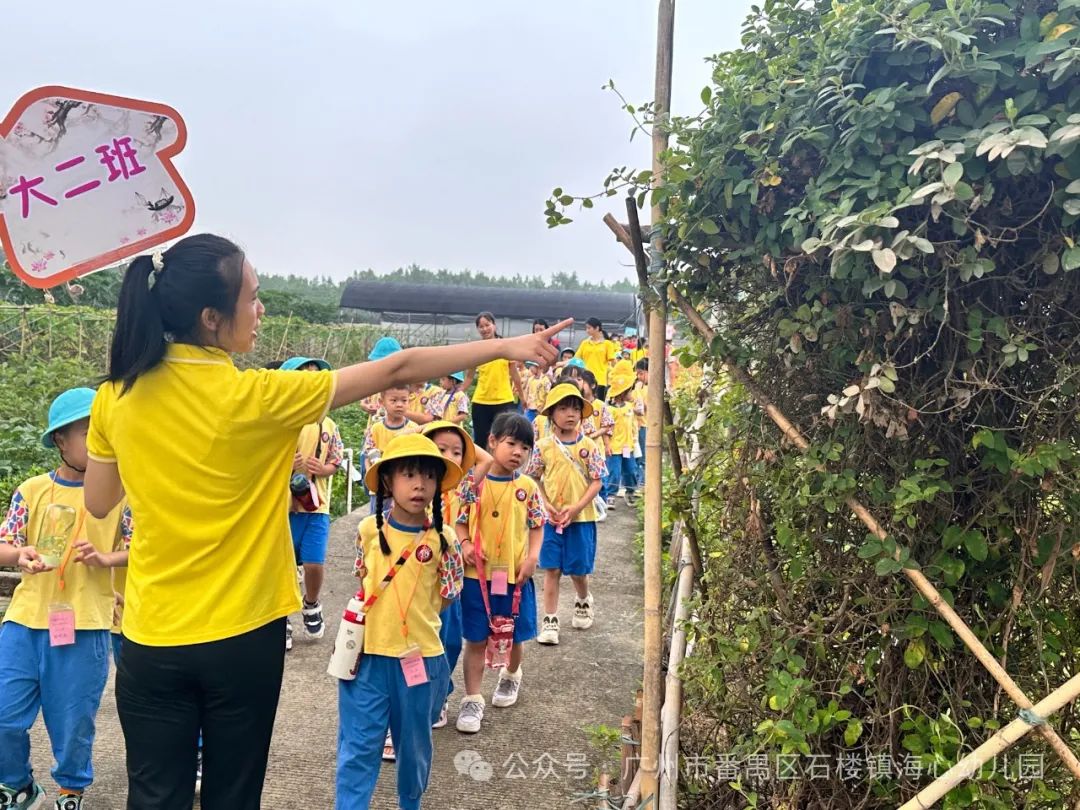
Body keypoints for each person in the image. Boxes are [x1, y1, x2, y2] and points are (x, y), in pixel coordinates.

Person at [82, 234, 568, 810]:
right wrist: (507, 346)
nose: (260, 310)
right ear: (211, 318)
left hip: (150, 633)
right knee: (232, 793)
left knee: (154, 793)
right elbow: (399, 368)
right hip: (242, 634)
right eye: (252, 299)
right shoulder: (264, 394)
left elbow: (99, 500)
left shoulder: (115, 396)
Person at [0, 388, 132, 810]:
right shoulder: (32, 490)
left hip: (86, 624)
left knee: (73, 721)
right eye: (90, 434)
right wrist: (20, 554)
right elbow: (5, 542)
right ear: (61, 441)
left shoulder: (123, 495)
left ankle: (70, 790)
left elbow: (143, 545)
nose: (101, 445)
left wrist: (106, 557)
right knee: (4, 714)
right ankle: (17, 784)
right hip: (24, 620)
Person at [336, 434, 464, 810]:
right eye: (408, 474)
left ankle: (411, 803)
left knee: (413, 749)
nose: (419, 484)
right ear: (388, 481)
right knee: (358, 746)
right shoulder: (368, 532)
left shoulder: (445, 539)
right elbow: (363, 576)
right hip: (368, 661)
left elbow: (449, 593)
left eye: (428, 476)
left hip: (421, 661)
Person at [454, 412, 545, 734]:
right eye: (510, 443)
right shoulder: (472, 483)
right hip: (475, 577)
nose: (517, 452)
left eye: (525, 447)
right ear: (491, 442)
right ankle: (472, 697)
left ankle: (510, 676)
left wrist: (532, 557)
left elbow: (537, 526)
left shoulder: (528, 487)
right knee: (475, 637)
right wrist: (465, 544)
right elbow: (459, 520)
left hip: (514, 578)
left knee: (515, 634)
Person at [420, 421, 493, 730]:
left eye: (456, 452)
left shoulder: (462, 485)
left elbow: (487, 460)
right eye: (440, 450)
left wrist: (455, 432)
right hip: (417, 576)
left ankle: (440, 695)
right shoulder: (414, 482)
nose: (448, 456)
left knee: (448, 641)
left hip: (449, 578)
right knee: (419, 642)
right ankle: (423, 698)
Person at [527, 384, 605, 646]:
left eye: (575, 408)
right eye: (563, 408)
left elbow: (596, 481)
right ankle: (550, 620)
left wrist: (577, 507)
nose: (570, 414)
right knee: (551, 568)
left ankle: (583, 599)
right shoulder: (543, 446)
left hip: (581, 519)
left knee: (578, 569)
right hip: (550, 520)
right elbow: (534, 478)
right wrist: (546, 504)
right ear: (551, 414)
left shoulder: (589, 446)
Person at [280, 356, 344, 649]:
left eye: (316, 378)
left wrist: (324, 469)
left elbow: (336, 460)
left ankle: (311, 602)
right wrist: (282, 464)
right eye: (303, 376)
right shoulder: (278, 423)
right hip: (280, 508)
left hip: (315, 506)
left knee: (314, 563)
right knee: (281, 566)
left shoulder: (327, 423)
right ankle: (282, 619)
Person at [463, 312, 524, 445]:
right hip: (481, 402)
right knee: (480, 441)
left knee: (502, 440)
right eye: (481, 326)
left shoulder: (505, 347)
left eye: (487, 325)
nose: (485, 329)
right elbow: (469, 377)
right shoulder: (477, 350)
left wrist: (523, 398)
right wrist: (457, 392)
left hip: (503, 401)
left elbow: (515, 375)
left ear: (494, 325)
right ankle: (482, 466)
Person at [605, 373, 641, 508]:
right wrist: (607, 444)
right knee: (614, 472)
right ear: (622, 393)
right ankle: (610, 494)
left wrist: (635, 441)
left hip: (628, 446)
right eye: (629, 390)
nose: (631, 393)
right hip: (614, 447)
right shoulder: (610, 410)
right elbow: (607, 429)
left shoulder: (629, 407)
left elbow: (633, 425)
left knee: (631, 470)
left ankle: (630, 491)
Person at [574, 318, 616, 400]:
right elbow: (576, 359)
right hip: (585, 379)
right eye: (586, 328)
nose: (587, 330)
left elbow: (613, 362)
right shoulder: (585, 343)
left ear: (597, 328)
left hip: (600, 380)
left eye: (589, 328)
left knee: (599, 405)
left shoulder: (607, 344)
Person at [633, 359, 649, 481]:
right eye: (637, 373)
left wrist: (642, 404)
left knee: (643, 455)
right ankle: (638, 479)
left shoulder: (652, 388)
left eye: (641, 373)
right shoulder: (638, 386)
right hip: (637, 424)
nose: (639, 376)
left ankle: (642, 481)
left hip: (646, 424)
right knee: (637, 453)